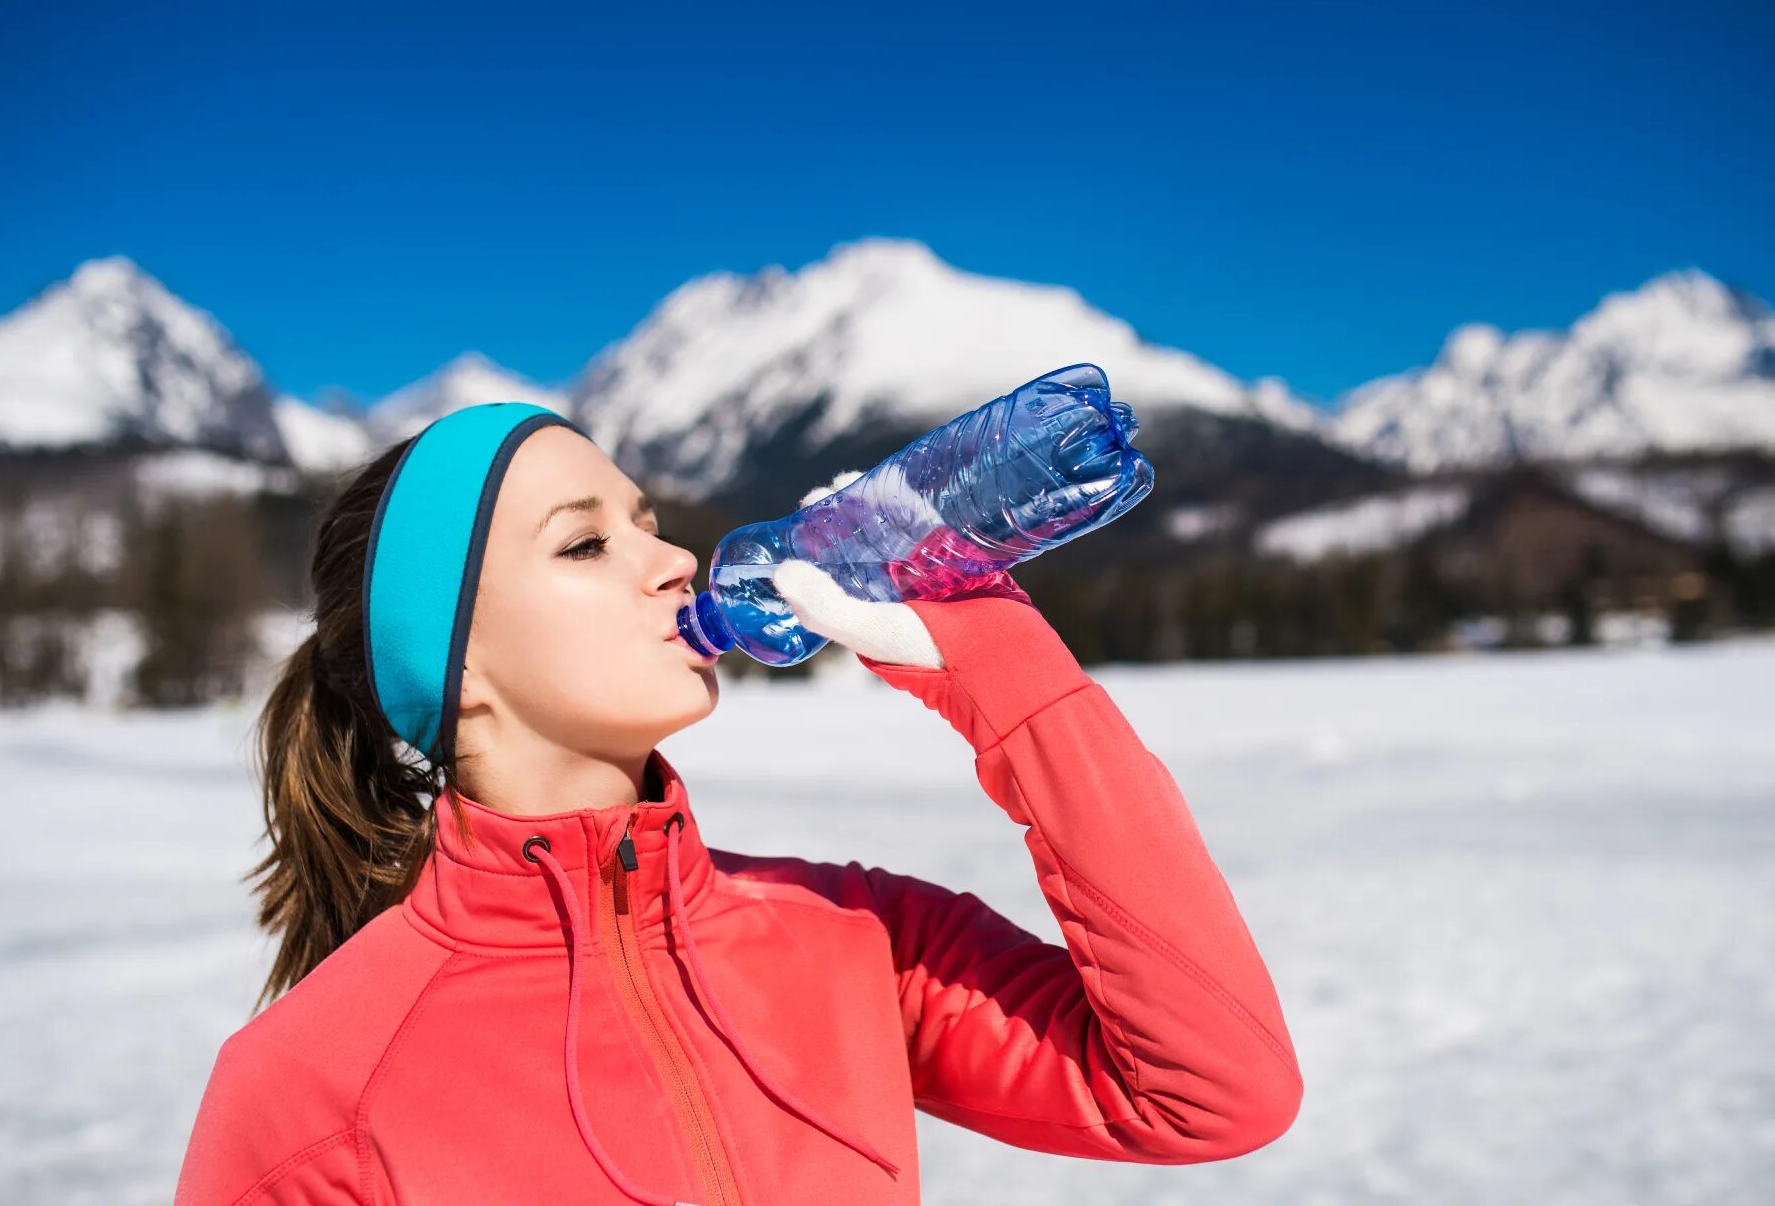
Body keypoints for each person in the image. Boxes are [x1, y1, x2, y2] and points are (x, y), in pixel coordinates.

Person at [173, 401, 1302, 1206]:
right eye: (585, 542)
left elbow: (1213, 1091)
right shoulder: (310, 1087)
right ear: (454, 665)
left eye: (648, 518)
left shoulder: (861, 939)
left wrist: (997, 664)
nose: (673, 559)